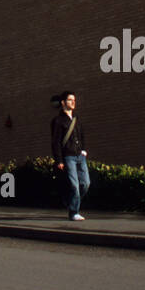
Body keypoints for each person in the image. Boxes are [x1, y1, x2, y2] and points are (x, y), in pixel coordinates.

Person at [50, 91, 89, 221]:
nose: (73, 102)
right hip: (68, 157)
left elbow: (82, 135)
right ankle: (73, 212)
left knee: (85, 184)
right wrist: (59, 160)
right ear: (63, 103)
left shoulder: (77, 119)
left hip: (80, 156)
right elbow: (55, 142)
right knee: (74, 185)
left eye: (74, 100)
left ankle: (70, 201)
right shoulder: (58, 121)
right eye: (70, 100)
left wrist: (83, 149)